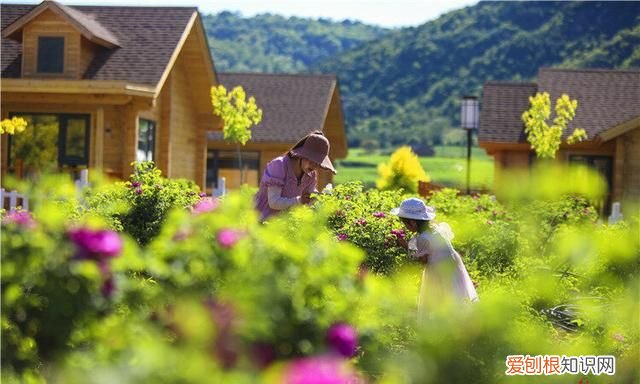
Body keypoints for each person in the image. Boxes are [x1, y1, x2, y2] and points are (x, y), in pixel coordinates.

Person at [391, 197, 478, 319]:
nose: (405, 227)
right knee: (454, 296)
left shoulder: (422, 239)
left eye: (405, 224)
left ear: (413, 223)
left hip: (438, 273)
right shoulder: (437, 230)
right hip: (451, 269)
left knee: (438, 299)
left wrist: (403, 245)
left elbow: (421, 258)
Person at [255, 131, 336, 221]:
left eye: (318, 164)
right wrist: (299, 201)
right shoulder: (279, 165)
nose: (314, 166)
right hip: (261, 222)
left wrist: (321, 198)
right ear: (302, 155)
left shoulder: (310, 175)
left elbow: (309, 197)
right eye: (311, 161)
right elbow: (274, 202)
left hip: (285, 225)